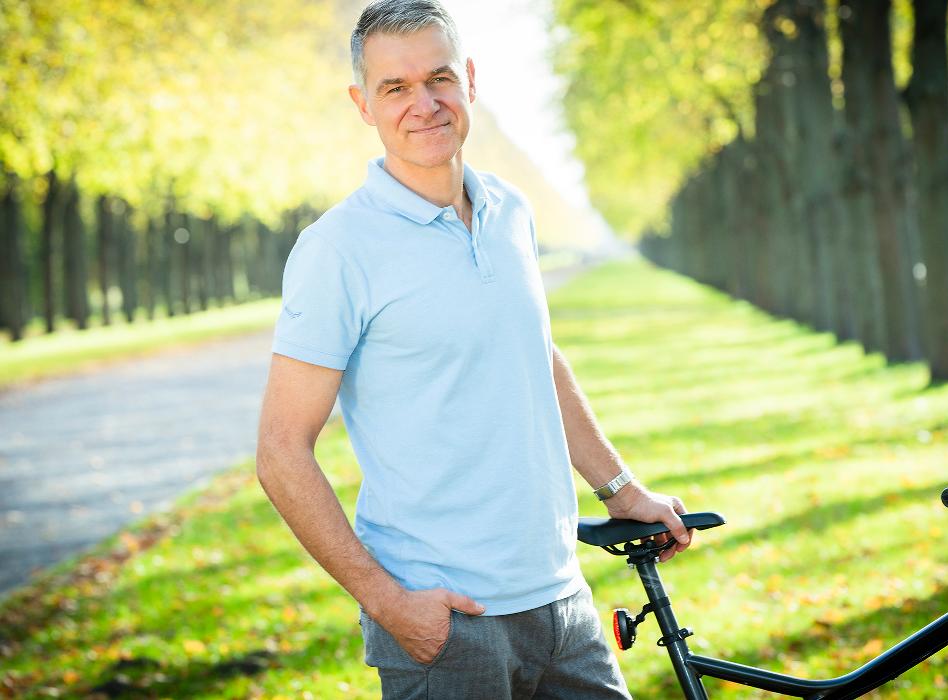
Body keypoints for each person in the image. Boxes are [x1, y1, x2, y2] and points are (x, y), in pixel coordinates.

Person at [255, 1, 692, 697]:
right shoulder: (337, 248)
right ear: (363, 105)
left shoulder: (511, 210)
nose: (424, 103)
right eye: (395, 87)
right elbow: (281, 450)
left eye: (439, 78)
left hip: (563, 600)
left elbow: (535, 358)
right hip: (446, 624)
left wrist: (621, 489)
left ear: (471, 81)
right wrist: (389, 603)